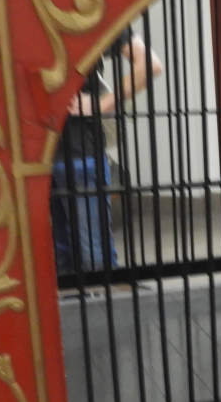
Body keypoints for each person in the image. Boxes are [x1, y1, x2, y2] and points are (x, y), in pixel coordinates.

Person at [51, 32, 163, 279]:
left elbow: (151, 65)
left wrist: (101, 105)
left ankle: (75, 312)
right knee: (93, 253)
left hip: (34, 152)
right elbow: (150, 64)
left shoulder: (15, 6)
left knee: (55, 259)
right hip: (80, 150)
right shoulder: (90, 8)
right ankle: (103, 310)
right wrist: (101, 105)